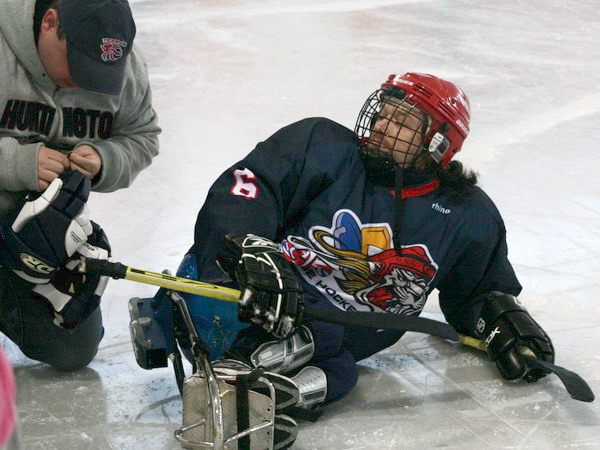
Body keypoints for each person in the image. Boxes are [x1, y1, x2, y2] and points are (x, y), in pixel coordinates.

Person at [185, 73, 554, 448]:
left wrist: (505, 325)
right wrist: (250, 248)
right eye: (382, 114)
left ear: (438, 144)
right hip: (250, 301)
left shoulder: (466, 216)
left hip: (333, 345)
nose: (380, 126)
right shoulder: (323, 146)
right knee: (320, 335)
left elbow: (477, 292)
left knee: (342, 373)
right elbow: (250, 187)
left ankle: (262, 398)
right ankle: (235, 368)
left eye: (400, 122)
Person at [0, 0, 160, 370]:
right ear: (49, 24)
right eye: (78, 63)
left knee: (72, 348)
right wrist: (13, 163)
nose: (87, 81)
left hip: (39, 235)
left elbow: (142, 136)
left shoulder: (122, 63)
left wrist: (108, 159)